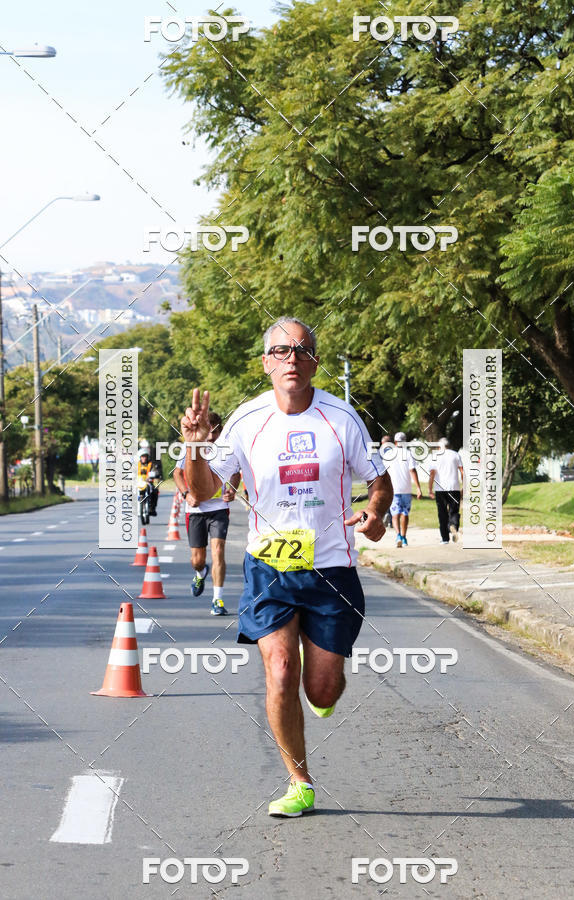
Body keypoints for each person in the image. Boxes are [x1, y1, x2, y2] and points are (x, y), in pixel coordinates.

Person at [181, 316, 392, 817]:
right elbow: (203, 490)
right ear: (265, 363)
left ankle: (324, 690)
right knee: (279, 671)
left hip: (332, 569)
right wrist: (193, 447)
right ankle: (299, 781)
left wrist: (376, 513)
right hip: (269, 570)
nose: (290, 359)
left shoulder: (342, 420)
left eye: (300, 350)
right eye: (280, 351)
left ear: (314, 361)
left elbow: (378, 480)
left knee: (320, 687)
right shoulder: (247, 421)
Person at [173, 412, 240, 615]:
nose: (210, 436)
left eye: (214, 431)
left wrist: (232, 490)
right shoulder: (190, 446)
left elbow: (235, 473)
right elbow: (177, 473)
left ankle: (217, 600)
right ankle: (200, 572)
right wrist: (186, 494)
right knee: (197, 559)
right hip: (195, 509)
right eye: (207, 431)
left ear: (219, 430)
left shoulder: (226, 449)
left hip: (218, 508)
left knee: (218, 551)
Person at [386, 432, 422, 547]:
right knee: (405, 513)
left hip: (393, 489)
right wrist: (418, 487)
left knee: (395, 513)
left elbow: (384, 472)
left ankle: (398, 536)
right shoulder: (408, 454)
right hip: (406, 488)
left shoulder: (388, 454)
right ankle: (404, 536)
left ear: (395, 442)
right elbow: (412, 471)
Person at [428, 438, 464, 543]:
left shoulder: (435, 456)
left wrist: (430, 489)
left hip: (440, 489)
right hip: (454, 488)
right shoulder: (455, 455)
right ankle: (453, 526)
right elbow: (462, 472)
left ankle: (444, 538)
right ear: (449, 445)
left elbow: (432, 474)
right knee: (454, 511)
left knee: (442, 513)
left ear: (439, 447)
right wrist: (464, 486)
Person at [137, 447, 158, 516]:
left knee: (155, 491)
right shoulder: (136, 465)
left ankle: (152, 508)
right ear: (140, 457)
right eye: (142, 456)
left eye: (145, 456)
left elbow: (155, 471)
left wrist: (154, 474)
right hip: (138, 483)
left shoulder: (151, 464)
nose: (144, 458)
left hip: (148, 483)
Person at [379, 436, 393, 528]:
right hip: (395, 477)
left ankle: (386, 514)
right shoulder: (395, 450)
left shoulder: (380, 451)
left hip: (384, 476)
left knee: (385, 497)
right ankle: (391, 520)